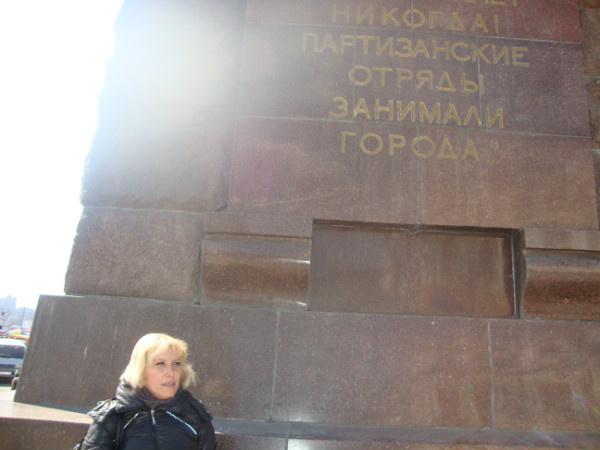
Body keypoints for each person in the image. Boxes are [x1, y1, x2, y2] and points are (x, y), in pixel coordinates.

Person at [78, 333, 217, 450]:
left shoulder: (196, 417)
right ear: (140, 369)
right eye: (160, 363)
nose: (171, 372)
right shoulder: (112, 417)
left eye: (176, 364)